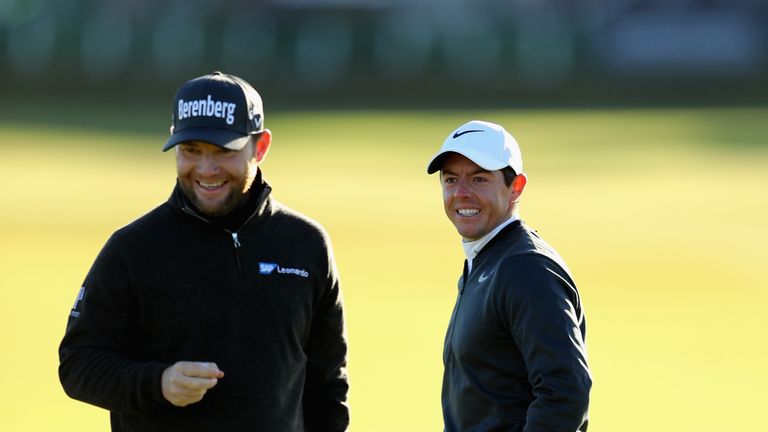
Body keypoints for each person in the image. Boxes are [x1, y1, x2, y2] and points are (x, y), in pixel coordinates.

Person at [59, 72, 349, 432]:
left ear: (260, 147)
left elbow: (328, 383)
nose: (206, 170)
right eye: (191, 151)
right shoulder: (132, 250)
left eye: (223, 151)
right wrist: (158, 383)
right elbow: (78, 364)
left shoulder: (306, 245)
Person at [426, 120, 592, 431]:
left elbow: (565, 393)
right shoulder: (487, 259)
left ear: (515, 187)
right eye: (450, 180)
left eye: (478, 179)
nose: (461, 193)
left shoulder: (526, 268)